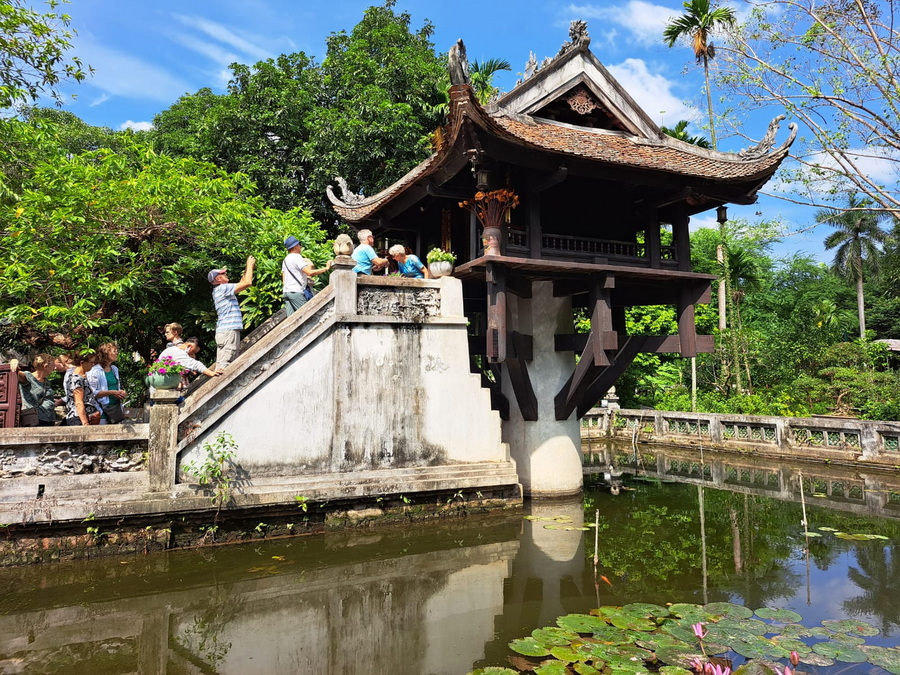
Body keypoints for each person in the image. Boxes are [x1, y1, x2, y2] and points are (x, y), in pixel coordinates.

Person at [208, 256, 255, 369]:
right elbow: (248, 282)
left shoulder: (220, 290)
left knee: (224, 362)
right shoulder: (223, 288)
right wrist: (249, 265)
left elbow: (242, 282)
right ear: (218, 279)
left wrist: (247, 268)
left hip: (225, 331)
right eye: (223, 274)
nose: (226, 274)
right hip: (228, 331)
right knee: (226, 364)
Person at [282, 236, 332, 316]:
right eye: (299, 244)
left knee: (291, 319)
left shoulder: (285, 259)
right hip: (296, 291)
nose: (300, 246)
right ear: (295, 246)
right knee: (307, 315)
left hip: (286, 292)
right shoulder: (297, 257)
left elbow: (284, 278)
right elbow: (309, 273)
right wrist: (326, 268)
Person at [13, 355, 59, 426]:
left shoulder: (46, 381)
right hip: (35, 419)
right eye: (53, 365)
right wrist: (13, 361)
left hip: (49, 418)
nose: (55, 368)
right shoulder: (28, 377)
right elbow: (16, 372)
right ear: (46, 366)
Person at [87, 342, 127, 425]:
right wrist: (111, 392)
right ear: (105, 353)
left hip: (115, 410)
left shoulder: (114, 369)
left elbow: (116, 387)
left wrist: (120, 393)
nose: (117, 353)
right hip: (101, 411)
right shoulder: (95, 371)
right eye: (114, 351)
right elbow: (92, 393)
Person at [64, 352, 101, 426]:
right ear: (82, 363)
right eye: (91, 362)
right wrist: (85, 423)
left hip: (86, 417)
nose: (93, 365)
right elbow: (79, 402)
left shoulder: (82, 376)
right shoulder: (76, 379)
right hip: (78, 418)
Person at [158, 337, 223, 380]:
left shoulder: (171, 349)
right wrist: (211, 373)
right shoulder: (178, 352)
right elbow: (196, 364)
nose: (193, 354)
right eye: (193, 352)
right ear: (189, 346)